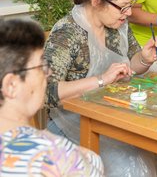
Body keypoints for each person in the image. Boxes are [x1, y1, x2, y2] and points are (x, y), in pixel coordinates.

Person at [44, 0, 157, 176]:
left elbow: (132, 65)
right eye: (123, 6)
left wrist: (145, 59)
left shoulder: (116, 24)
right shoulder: (68, 33)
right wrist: (101, 79)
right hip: (71, 122)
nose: (128, 13)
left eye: (131, 4)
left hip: (111, 112)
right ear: (96, 2)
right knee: (135, 165)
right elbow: (45, 92)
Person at [0, 18, 104, 176]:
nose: (47, 74)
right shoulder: (54, 155)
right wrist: (89, 157)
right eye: (41, 66)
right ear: (11, 85)